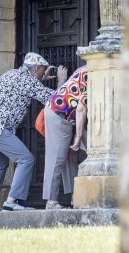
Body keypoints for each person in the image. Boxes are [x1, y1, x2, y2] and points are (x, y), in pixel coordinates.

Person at [0, 52, 67, 212]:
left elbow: (25, 88)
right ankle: (12, 201)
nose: (44, 72)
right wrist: (61, 82)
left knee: (0, 162)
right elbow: (55, 100)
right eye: (43, 70)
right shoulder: (29, 81)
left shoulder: (11, 73)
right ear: (36, 69)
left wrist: (39, 81)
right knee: (26, 159)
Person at [43, 65, 88, 209]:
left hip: (62, 113)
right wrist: (78, 136)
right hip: (60, 113)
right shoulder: (92, 74)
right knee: (58, 158)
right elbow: (81, 108)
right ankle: (51, 201)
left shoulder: (86, 68)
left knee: (70, 158)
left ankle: (75, 198)